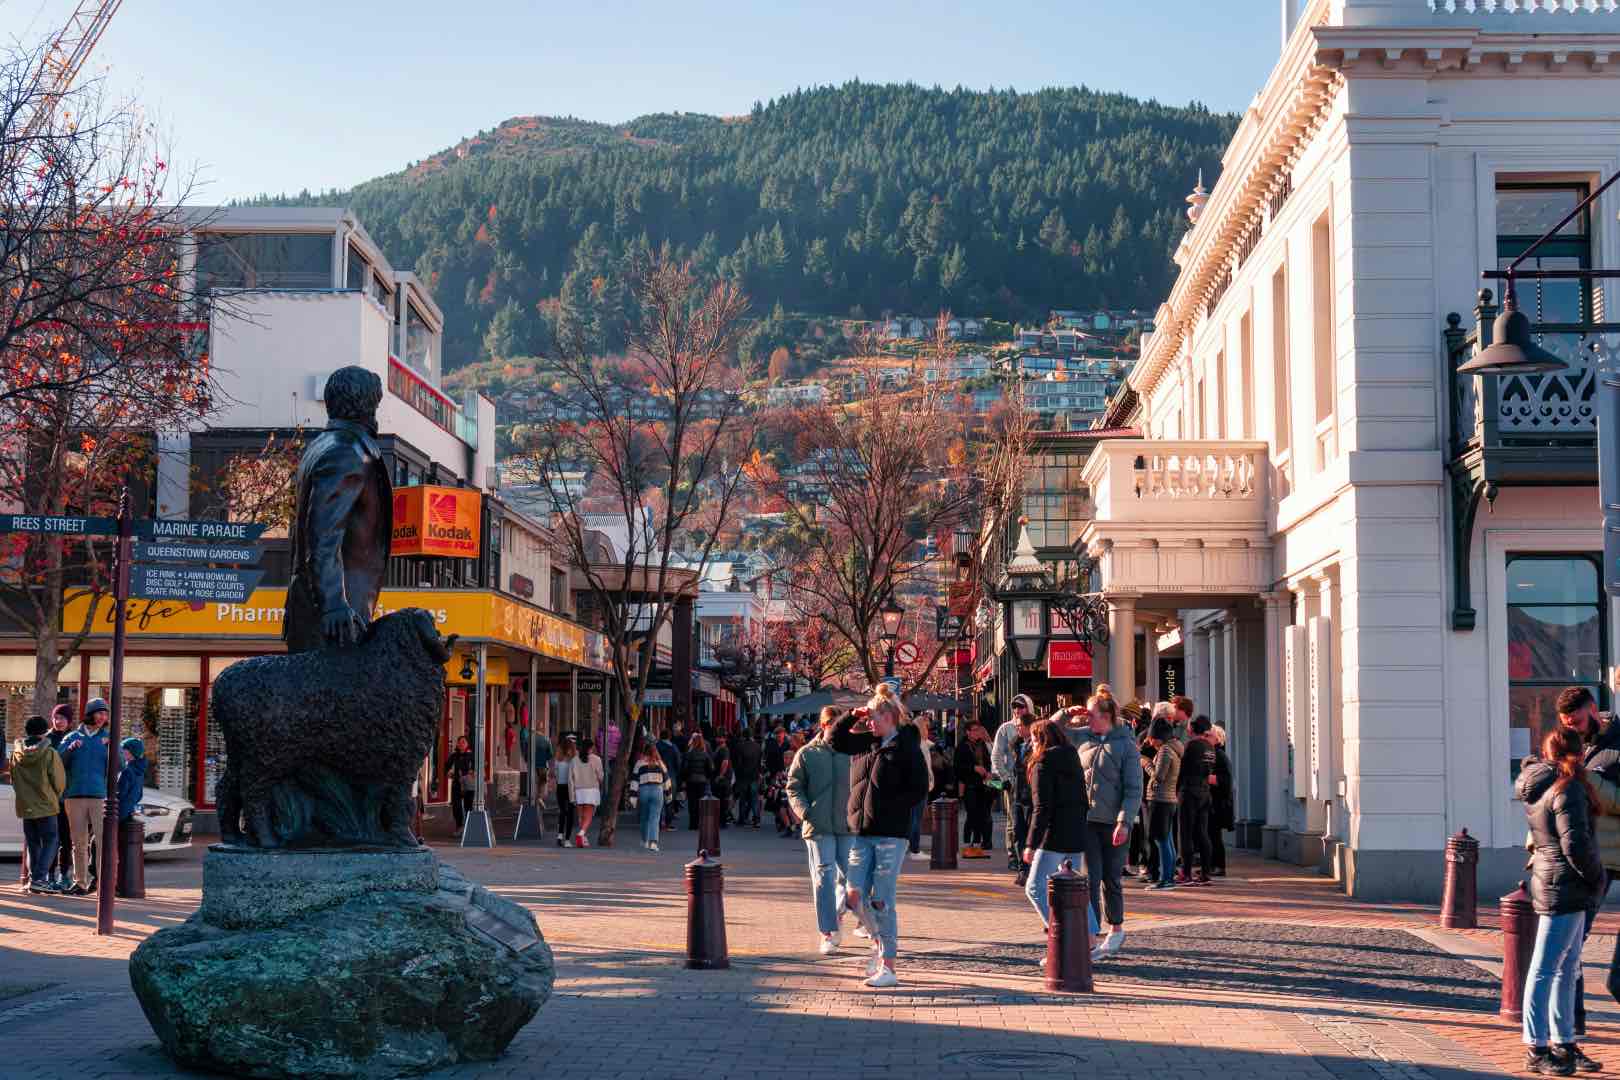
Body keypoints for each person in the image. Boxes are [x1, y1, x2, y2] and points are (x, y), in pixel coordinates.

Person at [283, 365, 392, 652]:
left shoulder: (322, 446)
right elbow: (323, 534)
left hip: (324, 610)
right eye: (377, 404)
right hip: (336, 617)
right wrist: (333, 604)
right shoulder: (347, 452)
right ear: (368, 405)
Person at [1518, 725, 1605, 1075]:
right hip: (1565, 884)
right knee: (1546, 968)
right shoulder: (1566, 788)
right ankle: (1537, 1048)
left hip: (1557, 880)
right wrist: (1596, 877)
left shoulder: (1544, 785)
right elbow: (1575, 845)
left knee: (1565, 968)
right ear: (1577, 752)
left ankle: (1562, 1041)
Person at [831, 684, 928, 989]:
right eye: (869, 717)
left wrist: (892, 810)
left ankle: (888, 964)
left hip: (889, 834)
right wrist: (853, 715)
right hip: (861, 832)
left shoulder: (906, 746)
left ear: (888, 717)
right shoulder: (865, 743)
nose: (869, 722)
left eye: (873, 717)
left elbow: (919, 788)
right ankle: (877, 941)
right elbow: (835, 739)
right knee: (853, 894)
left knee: (882, 900)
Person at [1022, 718, 1100, 960]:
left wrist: (1030, 844)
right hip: (1076, 834)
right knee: (1076, 892)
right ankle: (1089, 940)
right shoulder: (1072, 758)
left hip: (1052, 836)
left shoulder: (1042, 764)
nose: (1031, 745)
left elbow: (1041, 807)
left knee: (1034, 888)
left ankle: (1066, 941)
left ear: (1041, 741)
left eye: (1034, 740)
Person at [1075, 694, 1143, 960]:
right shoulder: (1084, 737)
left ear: (1106, 717)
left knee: (1111, 878)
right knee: (1090, 879)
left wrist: (1124, 821)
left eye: (1091, 714)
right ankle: (1091, 935)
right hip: (1088, 821)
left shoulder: (1126, 745)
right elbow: (1054, 731)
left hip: (1114, 823)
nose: (1086, 718)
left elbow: (1134, 789)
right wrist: (1068, 713)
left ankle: (1116, 927)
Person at [786, 705, 855, 956]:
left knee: (852, 879)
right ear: (825, 725)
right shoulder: (807, 753)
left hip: (848, 825)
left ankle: (836, 915)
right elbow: (793, 786)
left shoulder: (852, 752)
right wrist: (806, 812)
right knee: (823, 878)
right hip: (818, 826)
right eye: (836, 726)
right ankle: (827, 931)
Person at [57, 698, 110, 896]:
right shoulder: (71, 737)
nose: (103, 717)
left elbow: (121, 765)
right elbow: (58, 761)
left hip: (99, 797)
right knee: (78, 842)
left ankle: (103, 883)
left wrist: (111, 749)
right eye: (100, 713)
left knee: (103, 842)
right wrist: (70, 749)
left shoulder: (107, 738)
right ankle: (80, 883)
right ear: (90, 714)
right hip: (74, 795)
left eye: (105, 714)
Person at [12, 715, 65, 895]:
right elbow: (58, 781)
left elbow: (14, 779)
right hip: (46, 804)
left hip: (26, 804)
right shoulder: (49, 753)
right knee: (51, 840)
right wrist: (54, 796)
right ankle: (39, 879)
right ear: (44, 732)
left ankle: (34, 879)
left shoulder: (17, 753)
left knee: (33, 843)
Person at [993, 694, 1035, 874]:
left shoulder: (1037, 727)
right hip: (1014, 782)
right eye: (1015, 707)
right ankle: (1013, 855)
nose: (1018, 710)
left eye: (1022, 707)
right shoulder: (1006, 729)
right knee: (1013, 820)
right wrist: (1005, 778)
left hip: (1033, 784)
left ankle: (1031, 854)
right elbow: (996, 755)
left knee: (1032, 820)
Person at [1142, 716, 1182, 892]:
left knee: (1161, 840)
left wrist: (1146, 764)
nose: (1149, 741)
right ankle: (1168, 877)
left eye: (1150, 737)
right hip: (1168, 799)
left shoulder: (1165, 751)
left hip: (1161, 799)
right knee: (1166, 840)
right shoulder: (1171, 748)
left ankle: (1166, 879)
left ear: (1157, 737)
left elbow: (1159, 776)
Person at [1178, 715, 1216, 886]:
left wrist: (1177, 789)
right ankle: (1206, 872)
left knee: (1186, 833)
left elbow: (1183, 770)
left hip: (1190, 791)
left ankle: (1186, 873)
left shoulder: (1191, 746)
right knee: (1203, 832)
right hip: (1205, 792)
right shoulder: (1210, 747)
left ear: (1192, 729)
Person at [954, 720, 994, 857]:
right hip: (970, 785)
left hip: (985, 785)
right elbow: (957, 768)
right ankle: (968, 842)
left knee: (984, 813)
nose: (978, 732)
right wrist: (973, 768)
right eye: (975, 730)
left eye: (979, 729)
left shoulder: (982, 744)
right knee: (972, 814)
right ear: (968, 732)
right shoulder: (962, 747)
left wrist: (988, 772)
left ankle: (982, 842)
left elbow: (988, 761)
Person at [47, 704, 73, 890]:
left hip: (68, 796)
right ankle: (48, 875)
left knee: (66, 838)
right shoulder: (46, 739)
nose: (59, 721)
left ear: (69, 721)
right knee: (50, 839)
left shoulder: (73, 739)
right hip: (49, 797)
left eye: (62, 718)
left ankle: (64, 875)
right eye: (56, 718)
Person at [907, 712, 936, 862]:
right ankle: (914, 849)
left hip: (917, 785)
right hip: (920, 785)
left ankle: (912, 847)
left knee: (914, 818)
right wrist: (930, 782)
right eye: (926, 726)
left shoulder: (919, 743)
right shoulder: (920, 745)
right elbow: (925, 767)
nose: (928, 728)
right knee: (916, 818)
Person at [1209, 724, 1235, 877]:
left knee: (1214, 835)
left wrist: (1210, 778)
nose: (1206, 738)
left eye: (1209, 736)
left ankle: (1219, 866)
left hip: (1218, 803)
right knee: (1210, 834)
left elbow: (1225, 780)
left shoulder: (1219, 755)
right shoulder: (1213, 753)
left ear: (1217, 739)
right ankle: (1212, 864)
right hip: (1213, 801)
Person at [633, 743, 668, 852]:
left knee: (644, 817)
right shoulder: (660, 763)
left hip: (643, 790)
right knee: (655, 818)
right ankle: (653, 842)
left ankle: (645, 840)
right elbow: (666, 779)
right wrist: (669, 794)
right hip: (657, 790)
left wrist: (632, 797)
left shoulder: (639, 763)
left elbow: (634, 780)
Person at [571, 738, 604, 847]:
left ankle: (583, 839)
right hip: (591, 790)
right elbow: (600, 776)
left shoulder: (574, 760)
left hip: (579, 790)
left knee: (581, 816)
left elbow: (570, 779)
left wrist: (572, 794)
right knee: (589, 816)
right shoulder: (596, 759)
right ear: (591, 748)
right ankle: (581, 833)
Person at [682, 733, 715, 830]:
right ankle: (700, 824)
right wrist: (707, 776)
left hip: (691, 780)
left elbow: (685, 768)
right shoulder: (705, 755)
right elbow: (711, 768)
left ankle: (693, 824)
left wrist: (685, 778)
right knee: (701, 802)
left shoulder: (689, 754)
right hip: (702, 780)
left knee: (692, 803)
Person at [732, 729, 763, 829]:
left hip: (743, 776)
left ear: (743, 736)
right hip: (754, 775)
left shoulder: (739, 746)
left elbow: (737, 763)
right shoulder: (757, 746)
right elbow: (759, 762)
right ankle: (756, 819)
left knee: (743, 798)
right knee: (754, 799)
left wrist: (737, 775)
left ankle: (742, 819)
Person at [446, 736, 475, 834]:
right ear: (457, 744)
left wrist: (473, 771)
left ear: (467, 744)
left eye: (464, 742)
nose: (462, 744)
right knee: (456, 806)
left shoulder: (471, 755)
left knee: (468, 806)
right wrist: (449, 772)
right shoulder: (454, 756)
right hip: (457, 783)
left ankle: (468, 827)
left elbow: (478, 766)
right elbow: (447, 767)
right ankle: (459, 826)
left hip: (468, 784)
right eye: (460, 742)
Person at [656, 728, 683, 830]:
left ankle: (657, 822)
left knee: (658, 801)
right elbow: (678, 763)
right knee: (669, 801)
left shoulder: (656, 747)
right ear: (669, 736)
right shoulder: (674, 748)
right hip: (671, 777)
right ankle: (668, 823)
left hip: (658, 776)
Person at [117, 738, 147, 825]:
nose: (120, 753)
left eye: (123, 751)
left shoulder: (126, 771)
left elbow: (120, 793)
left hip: (118, 813)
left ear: (131, 753)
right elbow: (139, 795)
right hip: (128, 812)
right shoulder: (140, 771)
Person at [712, 734, 734, 827]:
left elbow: (725, 763)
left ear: (724, 738)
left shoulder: (724, 749)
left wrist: (720, 775)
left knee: (723, 800)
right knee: (721, 799)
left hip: (723, 779)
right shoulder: (719, 748)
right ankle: (721, 820)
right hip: (721, 778)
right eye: (718, 736)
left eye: (720, 737)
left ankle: (723, 821)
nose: (718, 738)